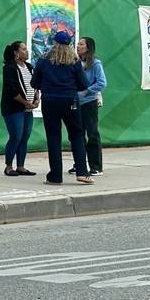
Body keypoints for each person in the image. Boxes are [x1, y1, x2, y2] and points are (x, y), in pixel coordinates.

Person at [30, 31, 94, 185]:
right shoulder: (74, 61)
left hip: (50, 101)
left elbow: (34, 83)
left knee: (53, 137)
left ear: (54, 42)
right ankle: (82, 172)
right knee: (77, 135)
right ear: (69, 44)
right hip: (70, 101)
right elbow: (83, 84)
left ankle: (55, 176)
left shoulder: (43, 60)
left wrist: (47, 85)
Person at [0, 41, 38, 177]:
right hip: (14, 108)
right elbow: (12, 89)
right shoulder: (10, 68)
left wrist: (36, 99)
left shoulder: (29, 67)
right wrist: (25, 102)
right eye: (23, 49)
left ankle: (21, 166)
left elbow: (35, 85)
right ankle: (8, 166)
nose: (26, 51)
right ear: (16, 52)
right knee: (16, 136)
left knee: (25, 137)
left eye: (26, 49)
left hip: (28, 109)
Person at [76, 36, 107, 176]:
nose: (78, 46)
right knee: (78, 134)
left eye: (81, 44)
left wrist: (86, 91)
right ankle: (79, 164)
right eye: (78, 44)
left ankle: (96, 166)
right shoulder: (76, 63)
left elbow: (102, 83)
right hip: (77, 103)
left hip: (89, 102)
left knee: (92, 133)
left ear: (88, 47)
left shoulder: (95, 63)